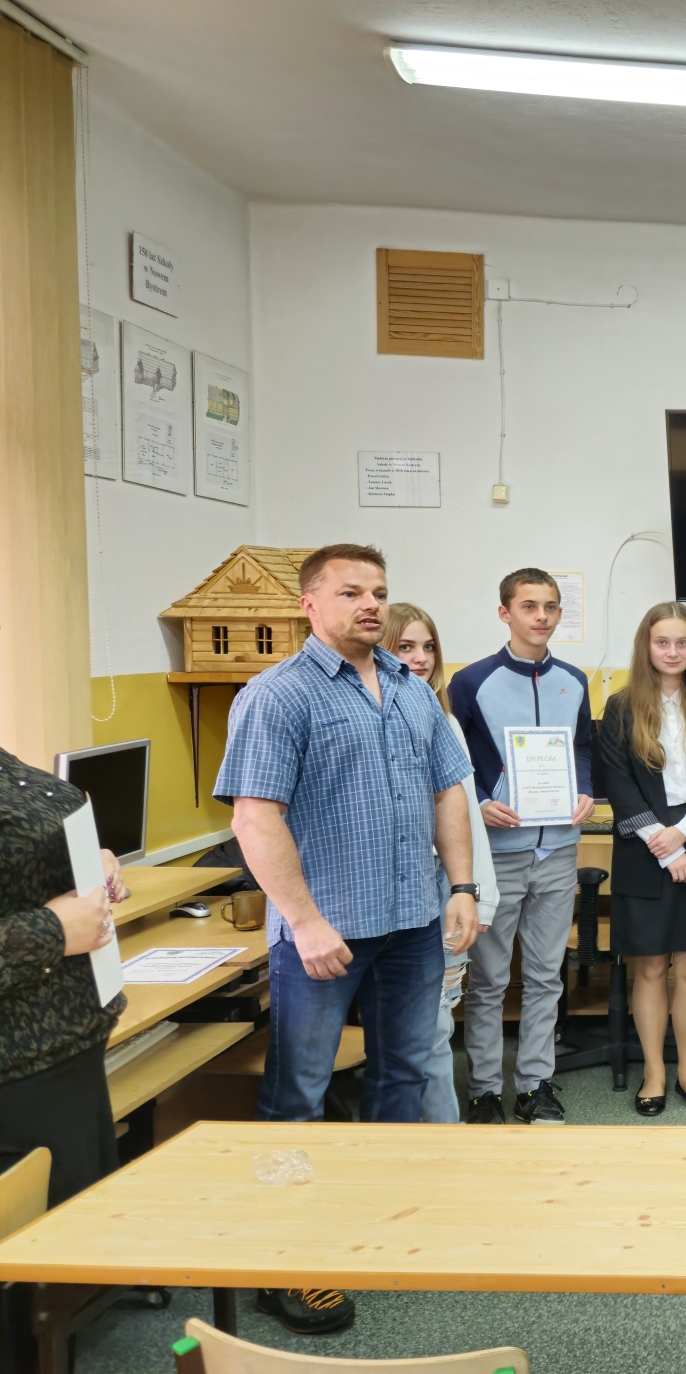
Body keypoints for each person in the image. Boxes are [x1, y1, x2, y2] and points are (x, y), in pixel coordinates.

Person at [218, 544, 478, 1334]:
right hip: (322, 936)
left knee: (402, 1077)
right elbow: (254, 818)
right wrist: (302, 920)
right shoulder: (277, 696)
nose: (370, 604)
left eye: (379, 592)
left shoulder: (410, 690)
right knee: (295, 1096)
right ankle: (286, 1263)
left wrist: (462, 887)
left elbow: (448, 792)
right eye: (350, 592)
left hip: (412, 923)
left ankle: (378, 1227)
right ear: (309, 604)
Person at [447, 568, 596, 1126]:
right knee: (488, 980)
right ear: (504, 612)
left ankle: (535, 1085)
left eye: (550, 606)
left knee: (545, 977)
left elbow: (583, 747)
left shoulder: (575, 680)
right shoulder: (470, 681)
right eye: (529, 606)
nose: (541, 616)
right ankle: (484, 1091)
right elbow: (453, 761)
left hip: (557, 850)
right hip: (496, 853)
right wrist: (480, 802)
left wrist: (585, 789)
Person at [595, 603, 686, 1116]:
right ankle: (654, 1072)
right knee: (651, 965)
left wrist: (683, 835)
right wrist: (666, 844)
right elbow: (619, 785)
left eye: (682, 642)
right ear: (646, 646)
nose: (673, 652)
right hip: (643, 845)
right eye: (662, 642)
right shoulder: (621, 707)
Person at [383, 606, 500, 1123]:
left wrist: (476, 894)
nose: (421, 658)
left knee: (434, 1027)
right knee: (405, 1030)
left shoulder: (443, 718)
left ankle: (445, 1137)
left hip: (438, 888)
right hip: (381, 891)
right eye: (406, 647)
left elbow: (466, 817)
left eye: (428, 647)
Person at [0, 747, 128, 1207]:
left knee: (87, 1225)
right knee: (43, 1236)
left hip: (71, 1045)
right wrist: (51, 930)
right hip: (17, 1071)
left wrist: (88, 862)